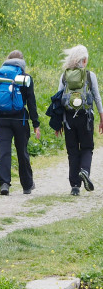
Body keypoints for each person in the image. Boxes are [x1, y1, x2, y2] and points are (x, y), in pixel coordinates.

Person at [0, 50, 41, 195]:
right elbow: (31, 102)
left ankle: (4, 184)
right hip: (20, 119)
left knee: (3, 152)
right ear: (22, 62)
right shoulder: (25, 77)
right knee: (22, 151)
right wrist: (36, 123)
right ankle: (27, 185)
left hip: (1, 119)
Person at [55, 45, 103, 195]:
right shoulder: (90, 75)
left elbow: (58, 100)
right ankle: (85, 171)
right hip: (86, 118)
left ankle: (75, 186)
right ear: (85, 60)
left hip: (68, 119)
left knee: (73, 151)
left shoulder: (64, 76)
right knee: (87, 148)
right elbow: (97, 97)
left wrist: (58, 123)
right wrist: (102, 117)